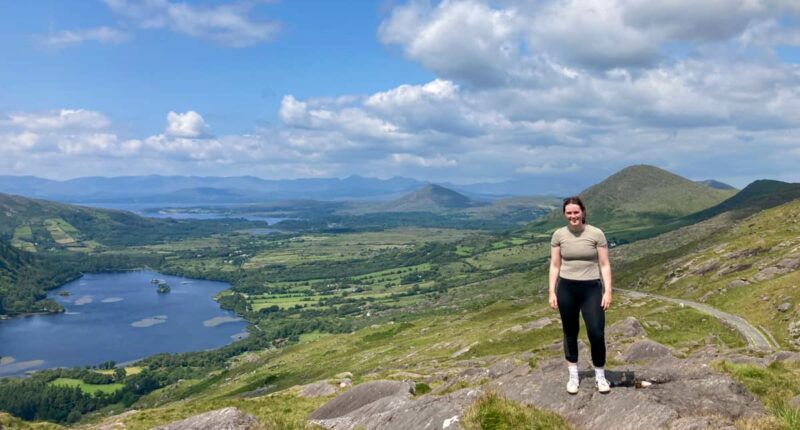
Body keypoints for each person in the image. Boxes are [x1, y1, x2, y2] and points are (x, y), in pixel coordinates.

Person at [548, 196, 612, 394]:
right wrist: (552, 291)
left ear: (583, 212)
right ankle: (573, 376)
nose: (573, 216)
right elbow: (555, 265)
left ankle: (600, 376)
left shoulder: (596, 234)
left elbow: (604, 264)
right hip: (566, 288)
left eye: (576, 212)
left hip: (591, 288)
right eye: (569, 213)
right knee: (570, 332)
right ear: (564, 214)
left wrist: (608, 291)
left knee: (596, 332)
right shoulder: (559, 235)